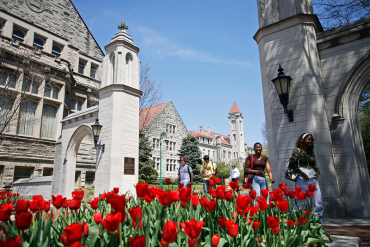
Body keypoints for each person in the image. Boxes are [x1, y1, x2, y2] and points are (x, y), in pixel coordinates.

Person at [288, 133, 324, 218]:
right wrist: (302, 173)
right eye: (308, 139)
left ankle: (317, 224)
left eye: (311, 139)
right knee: (301, 201)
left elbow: (314, 163)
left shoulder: (311, 152)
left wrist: (317, 171)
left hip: (312, 177)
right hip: (302, 177)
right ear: (302, 140)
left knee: (317, 201)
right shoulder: (297, 151)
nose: (310, 141)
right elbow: (292, 164)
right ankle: (300, 224)